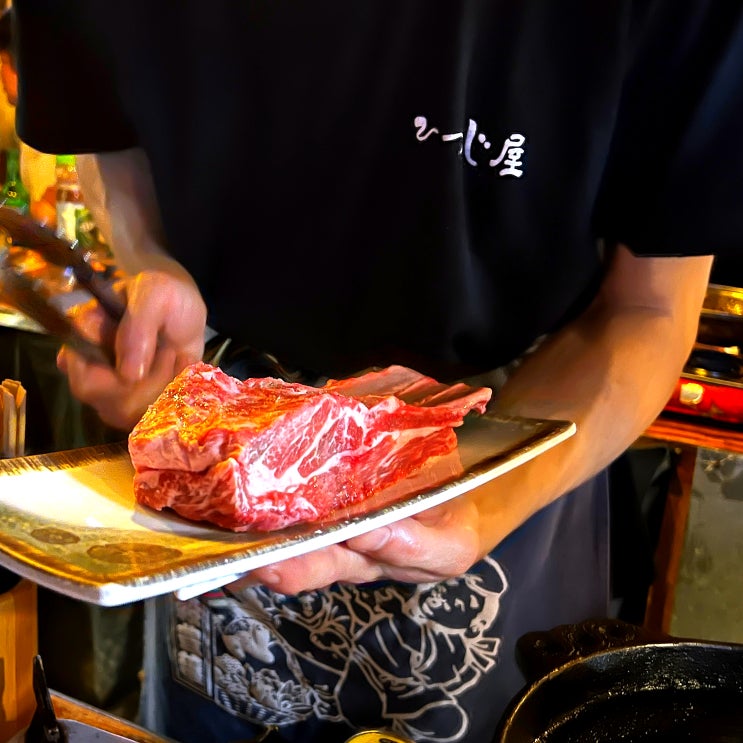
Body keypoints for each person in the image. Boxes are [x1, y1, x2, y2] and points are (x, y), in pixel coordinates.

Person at [11, 2, 743, 741]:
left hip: (500, 443)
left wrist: (485, 504)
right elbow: (111, 139)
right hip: (231, 450)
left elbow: (648, 306)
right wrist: (150, 265)